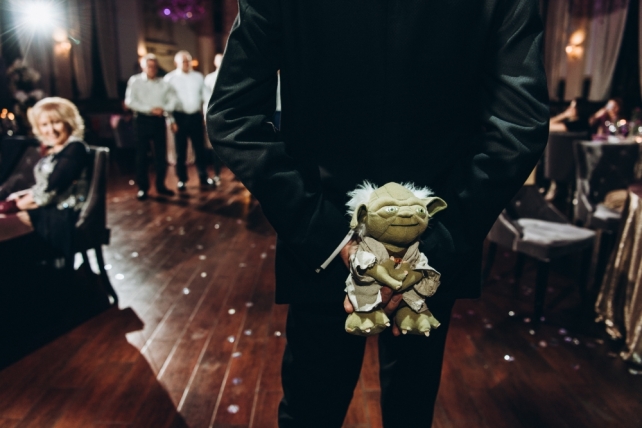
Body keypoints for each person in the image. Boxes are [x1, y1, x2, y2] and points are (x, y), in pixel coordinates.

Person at [207, 1, 549, 427]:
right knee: (409, 411)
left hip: (327, 237)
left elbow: (233, 116)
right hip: (430, 238)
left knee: (312, 411)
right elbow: (519, 128)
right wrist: (434, 247)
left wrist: (327, 234)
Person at [0, 97, 89, 263]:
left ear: (68, 122)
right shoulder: (56, 149)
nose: (51, 130)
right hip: (49, 210)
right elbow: (43, 186)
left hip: (61, 215)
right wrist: (20, 197)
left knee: (6, 228)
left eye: (56, 122)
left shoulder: (75, 148)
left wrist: (14, 205)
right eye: (44, 124)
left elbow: (50, 190)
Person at [124, 53, 177, 200]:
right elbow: (130, 101)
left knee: (160, 155)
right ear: (143, 67)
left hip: (159, 120)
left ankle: (161, 185)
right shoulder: (135, 81)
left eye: (154, 66)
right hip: (141, 120)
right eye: (149, 66)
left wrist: (163, 109)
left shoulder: (164, 83)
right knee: (141, 155)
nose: (152, 69)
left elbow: (172, 100)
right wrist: (150, 109)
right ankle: (143, 188)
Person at [164, 50, 216, 191]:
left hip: (195, 117)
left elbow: (206, 97)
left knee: (199, 148)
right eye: (184, 61)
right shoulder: (170, 79)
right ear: (176, 63)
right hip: (179, 117)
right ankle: (182, 179)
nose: (187, 63)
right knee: (180, 150)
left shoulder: (198, 77)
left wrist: (206, 116)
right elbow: (166, 101)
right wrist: (171, 120)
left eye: (188, 61)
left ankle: (203, 176)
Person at [203, 53, 225, 184]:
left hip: (229, 115)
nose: (222, 62)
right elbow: (206, 100)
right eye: (219, 60)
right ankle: (217, 173)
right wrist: (206, 116)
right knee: (215, 145)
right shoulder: (209, 78)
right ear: (215, 62)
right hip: (215, 116)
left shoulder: (232, 75)